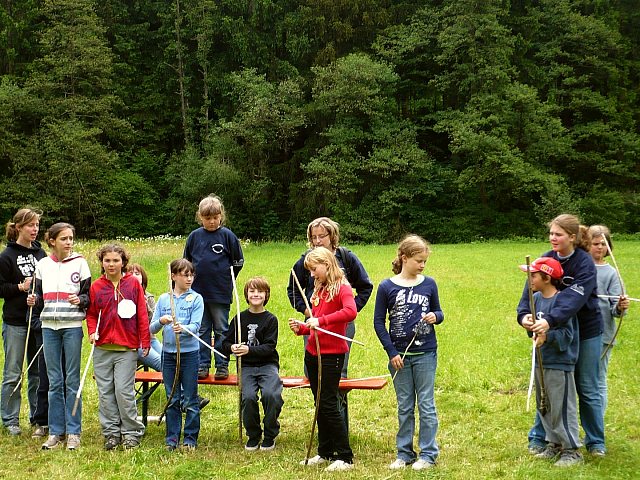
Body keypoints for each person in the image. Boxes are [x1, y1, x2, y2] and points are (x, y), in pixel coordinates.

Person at [517, 214, 606, 457]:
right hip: (551, 329)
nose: (553, 238)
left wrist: (548, 320)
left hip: (584, 330)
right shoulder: (546, 258)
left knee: (586, 386)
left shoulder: (584, 262)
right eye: (551, 234)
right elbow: (529, 292)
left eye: (558, 234)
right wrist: (524, 316)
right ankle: (545, 439)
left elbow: (572, 300)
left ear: (573, 237)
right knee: (549, 384)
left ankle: (595, 442)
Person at [373, 235, 443, 471]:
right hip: (399, 357)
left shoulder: (429, 284)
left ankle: (428, 454)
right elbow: (379, 323)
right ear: (404, 257)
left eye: (424, 261)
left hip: (425, 354)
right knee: (404, 406)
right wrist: (391, 352)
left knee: (426, 404)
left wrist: (436, 317)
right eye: (418, 260)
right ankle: (404, 453)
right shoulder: (386, 287)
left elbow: (438, 312)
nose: (422, 265)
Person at [288, 247, 357, 472]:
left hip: (332, 355)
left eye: (314, 269)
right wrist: (302, 328)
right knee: (320, 403)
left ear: (327, 264)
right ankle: (325, 452)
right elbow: (315, 326)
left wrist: (322, 320)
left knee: (328, 403)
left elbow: (350, 312)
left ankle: (345, 456)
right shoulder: (319, 290)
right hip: (313, 353)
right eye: (309, 271)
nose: (311, 274)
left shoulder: (342, 287)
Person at [28, 223, 91, 450]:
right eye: (64, 238)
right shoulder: (43, 264)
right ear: (52, 241)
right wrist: (33, 301)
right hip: (48, 328)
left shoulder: (81, 263)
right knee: (54, 382)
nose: (69, 242)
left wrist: (80, 301)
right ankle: (56, 432)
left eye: (71, 238)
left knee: (72, 380)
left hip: (72, 327)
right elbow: (37, 296)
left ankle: (74, 432)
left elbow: (87, 296)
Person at [287, 217, 372, 379]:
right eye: (313, 237)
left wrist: (351, 309)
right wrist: (306, 310)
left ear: (332, 236)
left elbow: (365, 286)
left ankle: (338, 406)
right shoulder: (307, 260)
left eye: (322, 236)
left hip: (341, 326)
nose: (317, 241)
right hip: (314, 324)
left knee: (339, 374)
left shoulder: (346, 257)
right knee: (313, 372)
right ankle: (320, 405)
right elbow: (293, 289)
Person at [518, 257, 582, 467]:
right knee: (544, 404)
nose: (529, 280)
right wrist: (527, 323)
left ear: (547, 277)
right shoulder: (535, 298)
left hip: (559, 363)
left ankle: (571, 450)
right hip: (541, 360)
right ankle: (553, 443)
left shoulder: (562, 301)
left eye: (533, 275)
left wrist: (548, 336)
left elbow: (567, 335)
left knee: (562, 406)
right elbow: (531, 324)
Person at [86, 244, 150, 450]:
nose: (111, 264)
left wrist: (145, 341)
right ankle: (111, 433)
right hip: (103, 348)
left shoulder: (132, 284)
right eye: (107, 260)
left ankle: (131, 432)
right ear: (102, 262)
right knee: (105, 393)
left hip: (127, 349)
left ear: (123, 262)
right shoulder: (96, 286)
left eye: (115, 260)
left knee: (123, 391)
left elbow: (141, 313)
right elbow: (92, 313)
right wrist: (91, 332)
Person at [184, 194, 244, 381]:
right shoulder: (194, 237)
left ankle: (222, 365)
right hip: (198, 293)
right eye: (207, 218)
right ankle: (202, 365)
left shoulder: (227, 236)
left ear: (221, 216)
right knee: (202, 330)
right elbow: (186, 263)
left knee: (221, 329)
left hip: (220, 293)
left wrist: (224, 278)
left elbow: (238, 262)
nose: (211, 221)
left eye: (215, 217)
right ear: (200, 217)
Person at [222, 276, 283, 452]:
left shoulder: (271, 319)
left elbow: (269, 347)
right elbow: (225, 344)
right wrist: (232, 347)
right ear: (246, 295)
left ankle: (270, 433)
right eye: (252, 291)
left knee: (271, 395)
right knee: (247, 397)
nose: (256, 294)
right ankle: (254, 434)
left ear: (266, 295)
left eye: (260, 291)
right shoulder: (239, 318)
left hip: (267, 365)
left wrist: (249, 350)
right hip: (246, 367)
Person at [0, 208, 46, 436]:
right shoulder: (6, 256)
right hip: (16, 322)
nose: (35, 229)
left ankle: (37, 417)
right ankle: (10, 419)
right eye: (30, 225)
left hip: (36, 322)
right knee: (13, 372)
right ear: (18, 227)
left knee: (37, 372)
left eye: (37, 225)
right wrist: (20, 287)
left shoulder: (41, 254)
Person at [150, 259, 203, 451]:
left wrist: (184, 328)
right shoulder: (165, 299)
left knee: (190, 397)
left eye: (191, 275)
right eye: (184, 275)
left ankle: (190, 439)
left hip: (189, 355)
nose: (189, 279)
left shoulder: (196, 298)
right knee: (171, 397)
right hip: (168, 355)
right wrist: (162, 321)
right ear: (173, 276)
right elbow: (152, 328)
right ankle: (172, 438)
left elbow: (196, 327)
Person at [588, 225, 630, 414]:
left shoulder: (611, 273)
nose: (599, 248)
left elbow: (616, 309)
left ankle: (597, 428)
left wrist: (620, 306)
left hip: (603, 334)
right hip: (582, 332)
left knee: (598, 380)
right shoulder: (581, 267)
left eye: (603, 244)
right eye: (595, 243)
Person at [127, 263, 162, 371]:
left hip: (150, 339)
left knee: (170, 361)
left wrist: (146, 308)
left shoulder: (149, 297)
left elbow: (153, 325)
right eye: (130, 273)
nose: (134, 276)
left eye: (137, 273)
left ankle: (181, 388)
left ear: (143, 277)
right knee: (163, 365)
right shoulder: (123, 297)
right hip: (135, 342)